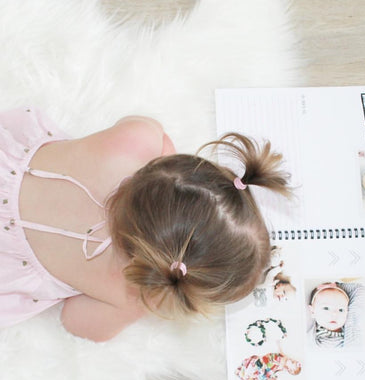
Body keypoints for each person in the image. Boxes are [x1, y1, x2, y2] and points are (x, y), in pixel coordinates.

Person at [0, 107, 291, 341]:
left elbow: (146, 127)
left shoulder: (137, 140)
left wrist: (164, 168)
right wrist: (140, 303)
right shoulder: (124, 292)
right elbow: (75, 323)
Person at [308, 282, 357, 348]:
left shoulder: (350, 327)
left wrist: (337, 285)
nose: (334, 314)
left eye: (341, 310)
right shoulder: (318, 338)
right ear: (312, 311)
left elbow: (358, 289)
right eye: (326, 308)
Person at [235, 351, 302, 380]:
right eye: (294, 361)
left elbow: (274, 370)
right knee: (258, 367)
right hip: (268, 360)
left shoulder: (284, 367)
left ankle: (252, 376)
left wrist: (272, 374)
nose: (292, 360)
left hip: (269, 366)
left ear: (290, 370)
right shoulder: (285, 359)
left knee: (263, 375)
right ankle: (249, 374)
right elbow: (280, 353)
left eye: (292, 363)